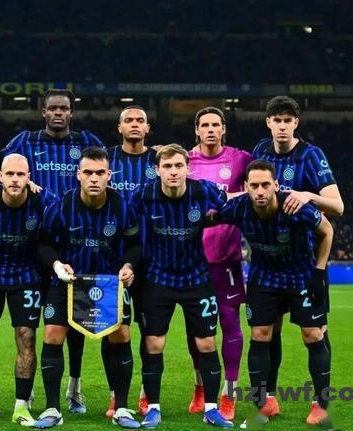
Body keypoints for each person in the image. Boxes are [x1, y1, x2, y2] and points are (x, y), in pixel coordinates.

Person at [0, 89, 105, 413]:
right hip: (35, 243)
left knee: (78, 322)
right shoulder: (25, 142)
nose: (58, 113)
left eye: (64, 108)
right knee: (31, 324)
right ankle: (28, 389)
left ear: (72, 112)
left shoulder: (86, 141)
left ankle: (75, 387)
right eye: (53, 108)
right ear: (43, 111)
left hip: (76, 245)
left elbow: (107, 164)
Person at [217, 160, 334, 428]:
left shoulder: (295, 206)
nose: (260, 191)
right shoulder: (238, 207)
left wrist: (319, 272)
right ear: (246, 187)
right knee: (260, 334)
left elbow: (327, 230)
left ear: (276, 185)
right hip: (264, 276)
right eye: (254, 186)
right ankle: (264, 404)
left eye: (265, 185)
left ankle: (321, 404)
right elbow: (210, 212)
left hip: (301, 274)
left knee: (313, 334)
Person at [34, 147, 141, 429]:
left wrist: (128, 265)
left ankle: (121, 408)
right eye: (88, 172)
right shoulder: (61, 206)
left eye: (100, 173)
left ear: (109, 175)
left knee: (121, 335)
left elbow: (135, 245)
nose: (94, 178)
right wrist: (57, 264)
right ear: (78, 174)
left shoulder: (122, 207)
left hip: (108, 281)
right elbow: (43, 244)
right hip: (70, 281)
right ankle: (52, 409)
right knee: (52, 334)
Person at [252, 96, 343, 415]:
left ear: (296, 123)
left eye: (287, 120)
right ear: (268, 122)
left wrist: (307, 196)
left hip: (305, 262)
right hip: (268, 262)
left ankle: (321, 402)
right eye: (276, 120)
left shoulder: (311, 155)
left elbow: (337, 206)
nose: (282, 126)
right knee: (267, 330)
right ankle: (268, 398)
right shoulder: (260, 151)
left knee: (314, 332)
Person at [132, 144, 232, 428]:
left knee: (207, 343)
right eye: (167, 166)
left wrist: (215, 217)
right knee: (154, 343)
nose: (173, 171)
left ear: (188, 168)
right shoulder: (143, 195)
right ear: (157, 170)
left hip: (196, 278)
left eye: (178, 166)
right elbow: (127, 225)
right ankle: (153, 407)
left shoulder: (204, 191)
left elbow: (228, 204)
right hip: (157, 278)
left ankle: (211, 409)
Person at [0, 154, 57, 427]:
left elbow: (68, 212)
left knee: (26, 337)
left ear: (29, 177)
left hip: (26, 275)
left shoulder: (43, 200)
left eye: (20, 174)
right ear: (0, 177)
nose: (15, 179)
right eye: (10, 174)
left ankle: (22, 407)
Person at [184, 107, 252, 420]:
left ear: (223, 129)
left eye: (215, 124)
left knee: (230, 324)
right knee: (196, 329)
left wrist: (225, 200)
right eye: (204, 125)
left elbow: (259, 187)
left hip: (227, 260)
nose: (210, 129)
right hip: (193, 259)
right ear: (197, 130)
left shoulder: (241, 159)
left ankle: (230, 394)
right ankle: (200, 388)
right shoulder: (185, 161)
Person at [104, 106, 156, 417]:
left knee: (150, 333)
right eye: (129, 120)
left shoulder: (159, 159)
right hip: (111, 262)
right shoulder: (106, 160)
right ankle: (115, 395)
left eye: (140, 121)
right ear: (119, 127)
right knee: (111, 330)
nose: (134, 125)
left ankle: (146, 394)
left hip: (150, 262)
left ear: (148, 128)